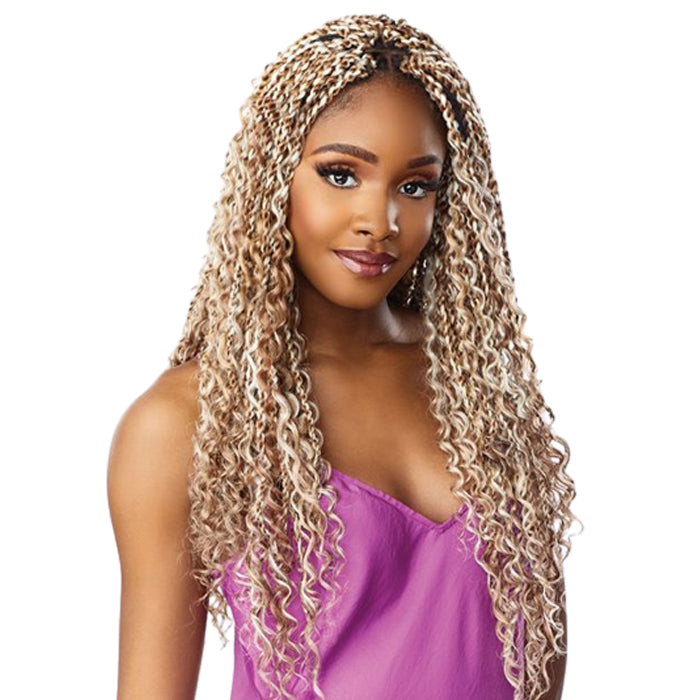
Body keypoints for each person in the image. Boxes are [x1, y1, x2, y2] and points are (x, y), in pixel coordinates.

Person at [107, 13, 581, 700]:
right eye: (340, 174)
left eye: (414, 186)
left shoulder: (480, 386)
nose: (379, 221)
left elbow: (537, 659)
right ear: (273, 179)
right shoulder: (188, 422)